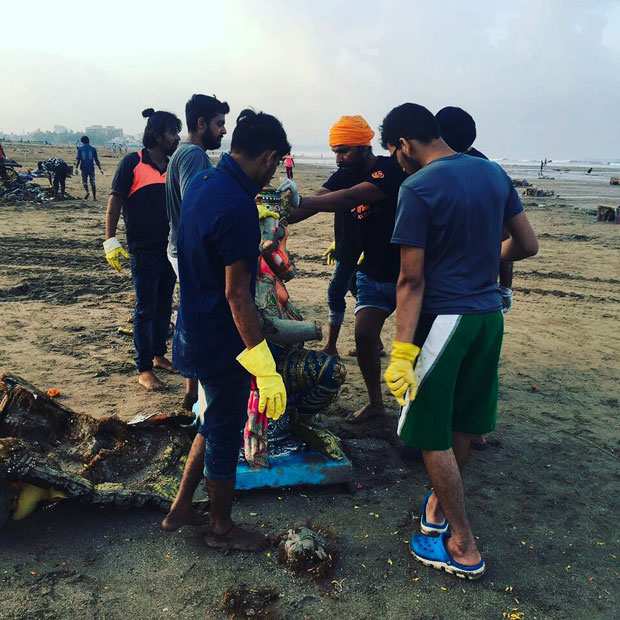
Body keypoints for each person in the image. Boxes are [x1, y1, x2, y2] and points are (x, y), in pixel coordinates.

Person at [380, 103, 538, 579]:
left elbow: (410, 281)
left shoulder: (418, 186)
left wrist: (403, 351)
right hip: (489, 316)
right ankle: (438, 506)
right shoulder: (492, 173)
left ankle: (463, 545)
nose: (397, 163)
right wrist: (482, 256)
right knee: (463, 423)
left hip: (446, 321)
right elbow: (527, 246)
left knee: (429, 431)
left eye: (395, 153)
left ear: (404, 144)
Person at [162, 109, 289, 551]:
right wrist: (264, 364)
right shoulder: (236, 207)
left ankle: (180, 508)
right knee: (223, 430)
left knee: (210, 419)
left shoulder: (202, 183)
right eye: (274, 166)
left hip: (191, 322)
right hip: (220, 337)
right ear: (270, 157)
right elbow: (238, 296)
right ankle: (221, 528)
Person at [282, 115, 407, 423]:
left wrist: (300, 197)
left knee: (413, 346)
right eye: (335, 150)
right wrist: (275, 213)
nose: (338, 158)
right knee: (364, 338)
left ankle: (412, 407)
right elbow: (318, 201)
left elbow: (352, 197)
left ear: (365, 147)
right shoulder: (345, 172)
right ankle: (376, 402)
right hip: (374, 271)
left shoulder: (390, 169)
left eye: (344, 150)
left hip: (410, 275)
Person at [436, 105, 514, 450]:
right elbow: (516, 239)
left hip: (447, 296)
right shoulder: (492, 171)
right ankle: (473, 431)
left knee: (442, 369)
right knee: (478, 367)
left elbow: (505, 234)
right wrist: (504, 286)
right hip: (484, 297)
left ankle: (447, 435)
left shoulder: (433, 174)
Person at [104, 108, 181, 391]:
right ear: (158, 134)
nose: (177, 137)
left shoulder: (173, 166)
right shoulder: (132, 163)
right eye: (172, 132)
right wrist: (110, 240)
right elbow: (115, 204)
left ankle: (159, 354)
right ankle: (144, 368)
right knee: (145, 308)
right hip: (143, 250)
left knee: (164, 305)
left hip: (169, 249)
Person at [165, 93, 229, 412]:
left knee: (191, 312)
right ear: (201, 123)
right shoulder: (193, 155)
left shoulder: (184, 152)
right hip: (189, 251)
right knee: (202, 319)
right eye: (219, 124)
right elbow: (197, 203)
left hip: (179, 247)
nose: (223, 131)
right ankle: (202, 398)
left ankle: (191, 390)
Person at [75, 136, 103, 200]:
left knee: (84, 182)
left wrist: (76, 168)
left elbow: (78, 160)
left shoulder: (80, 149)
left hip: (83, 168)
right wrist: (100, 168)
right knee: (92, 182)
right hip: (91, 168)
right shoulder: (93, 149)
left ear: (82, 142)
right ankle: (94, 197)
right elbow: (96, 160)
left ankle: (87, 192)